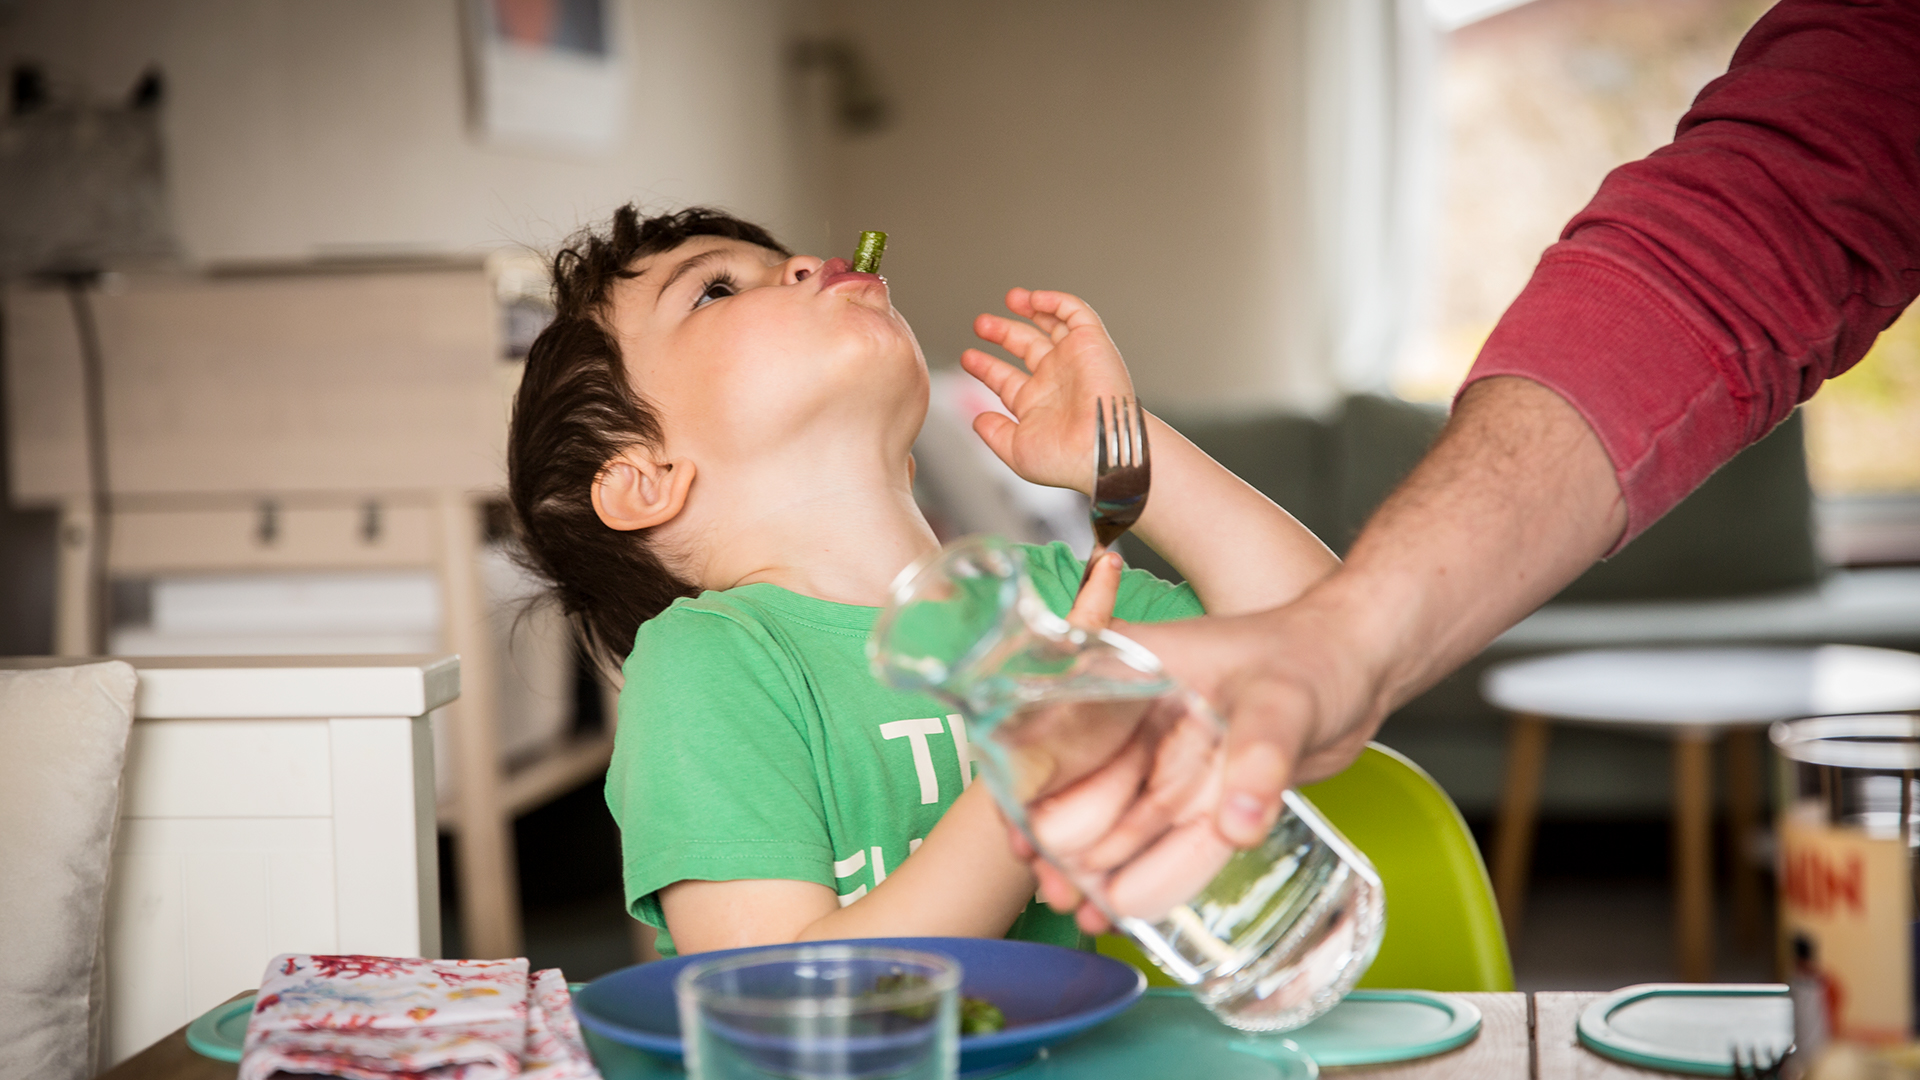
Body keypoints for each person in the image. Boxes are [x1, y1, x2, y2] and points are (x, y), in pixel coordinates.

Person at [1023, 0, 1920, 931]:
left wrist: (1331, 629)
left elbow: (1299, 608)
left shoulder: (1037, 577)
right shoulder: (1020, 597)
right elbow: (1747, 234)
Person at [504, 206, 1338, 955]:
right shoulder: (708, 668)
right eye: (715, 291)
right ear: (646, 476)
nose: (803, 263)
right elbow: (775, 1000)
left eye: (787, 256)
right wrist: (1036, 760)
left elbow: (1329, 640)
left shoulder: (1049, 602)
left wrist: (1122, 451)